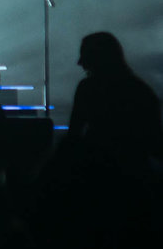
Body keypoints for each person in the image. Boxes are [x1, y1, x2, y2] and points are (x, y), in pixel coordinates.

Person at [66, 30, 163, 168]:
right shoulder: (142, 92)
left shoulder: (87, 88)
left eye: (85, 55)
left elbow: (73, 135)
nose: (80, 62)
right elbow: (155, 145)